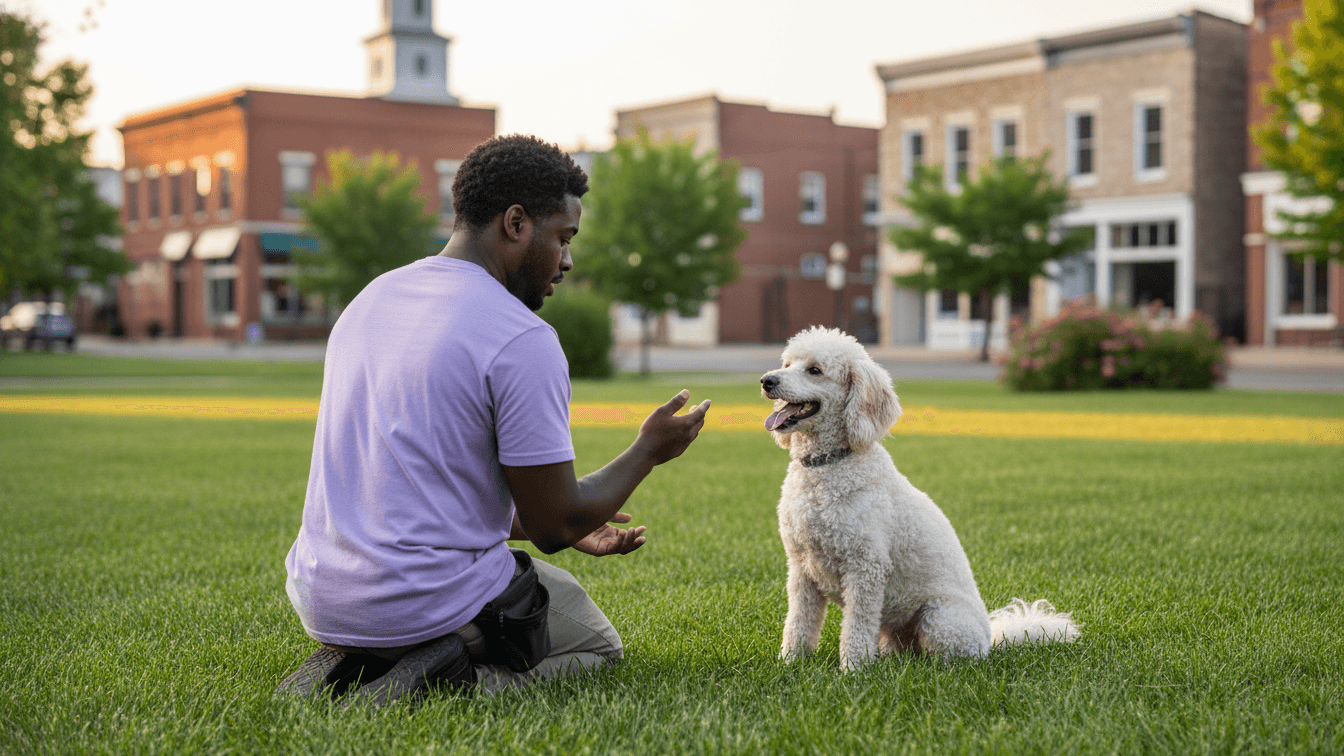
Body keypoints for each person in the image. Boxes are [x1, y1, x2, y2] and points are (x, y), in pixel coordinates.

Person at [277, 134, 710, 704]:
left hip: (324, 592)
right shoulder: (520, 337)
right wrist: (647, 450)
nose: (568, 260)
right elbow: (557, 525)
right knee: (598, 647)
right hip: (419, 597)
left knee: (511, 585)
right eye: (563, 238)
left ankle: (364, 657)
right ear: (515, 223)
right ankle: (448, 678)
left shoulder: (371, 301)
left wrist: (561, 520)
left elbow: (422, 494)